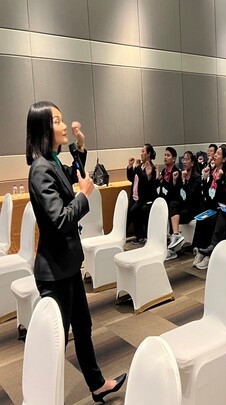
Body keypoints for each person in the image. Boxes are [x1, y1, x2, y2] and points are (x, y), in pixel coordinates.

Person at [26, 101, 126, 402]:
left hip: (67, 266)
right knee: (56, 342)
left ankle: (97, 385)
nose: (64, 125)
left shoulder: (52, 161)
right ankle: (41, 397)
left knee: (83, 328)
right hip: (54, 272)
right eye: (57, 121)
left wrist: (80, 147)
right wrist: (83, 196)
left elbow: (73, 173)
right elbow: (59, 220)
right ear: (44, 128)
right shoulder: (40, 169)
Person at [192, 145, 226, 269]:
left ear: (224, 159)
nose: (215, 156)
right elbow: (207, 194)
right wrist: (205, 179)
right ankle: (201, 250)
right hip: (213, 207)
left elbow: (225, 196)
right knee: (201, 219)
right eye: (216, 153)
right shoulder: (212, 172)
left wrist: (219, 180)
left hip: (223, 209)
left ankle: (210, 254)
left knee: (210, 221)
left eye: (218, 154)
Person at [167, 151, 202, 257]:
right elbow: (176, 195)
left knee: (178, 213)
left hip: (193, 208)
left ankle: (175, 244)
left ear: (192, 163)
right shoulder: (180, 174)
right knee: (172, 204)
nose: (184, 162)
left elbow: (191, 196)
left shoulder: (197, 177)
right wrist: (175, 181)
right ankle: (176, 235)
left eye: (187, 159)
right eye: (183, 159)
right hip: (183, 205)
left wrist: (184, 181)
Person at [126, 143, 158, 244]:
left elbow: (146, 182)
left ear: (148, 154)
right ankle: (123, 235)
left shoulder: (151, 168)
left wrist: (141, 171)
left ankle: (141, 236)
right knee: (128, 213)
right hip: (135, 197)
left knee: (134, 211)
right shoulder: (140, 166)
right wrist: (130, 167)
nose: (141, 153)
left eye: (143, 151)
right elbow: (132, 178)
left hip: (144, 199)